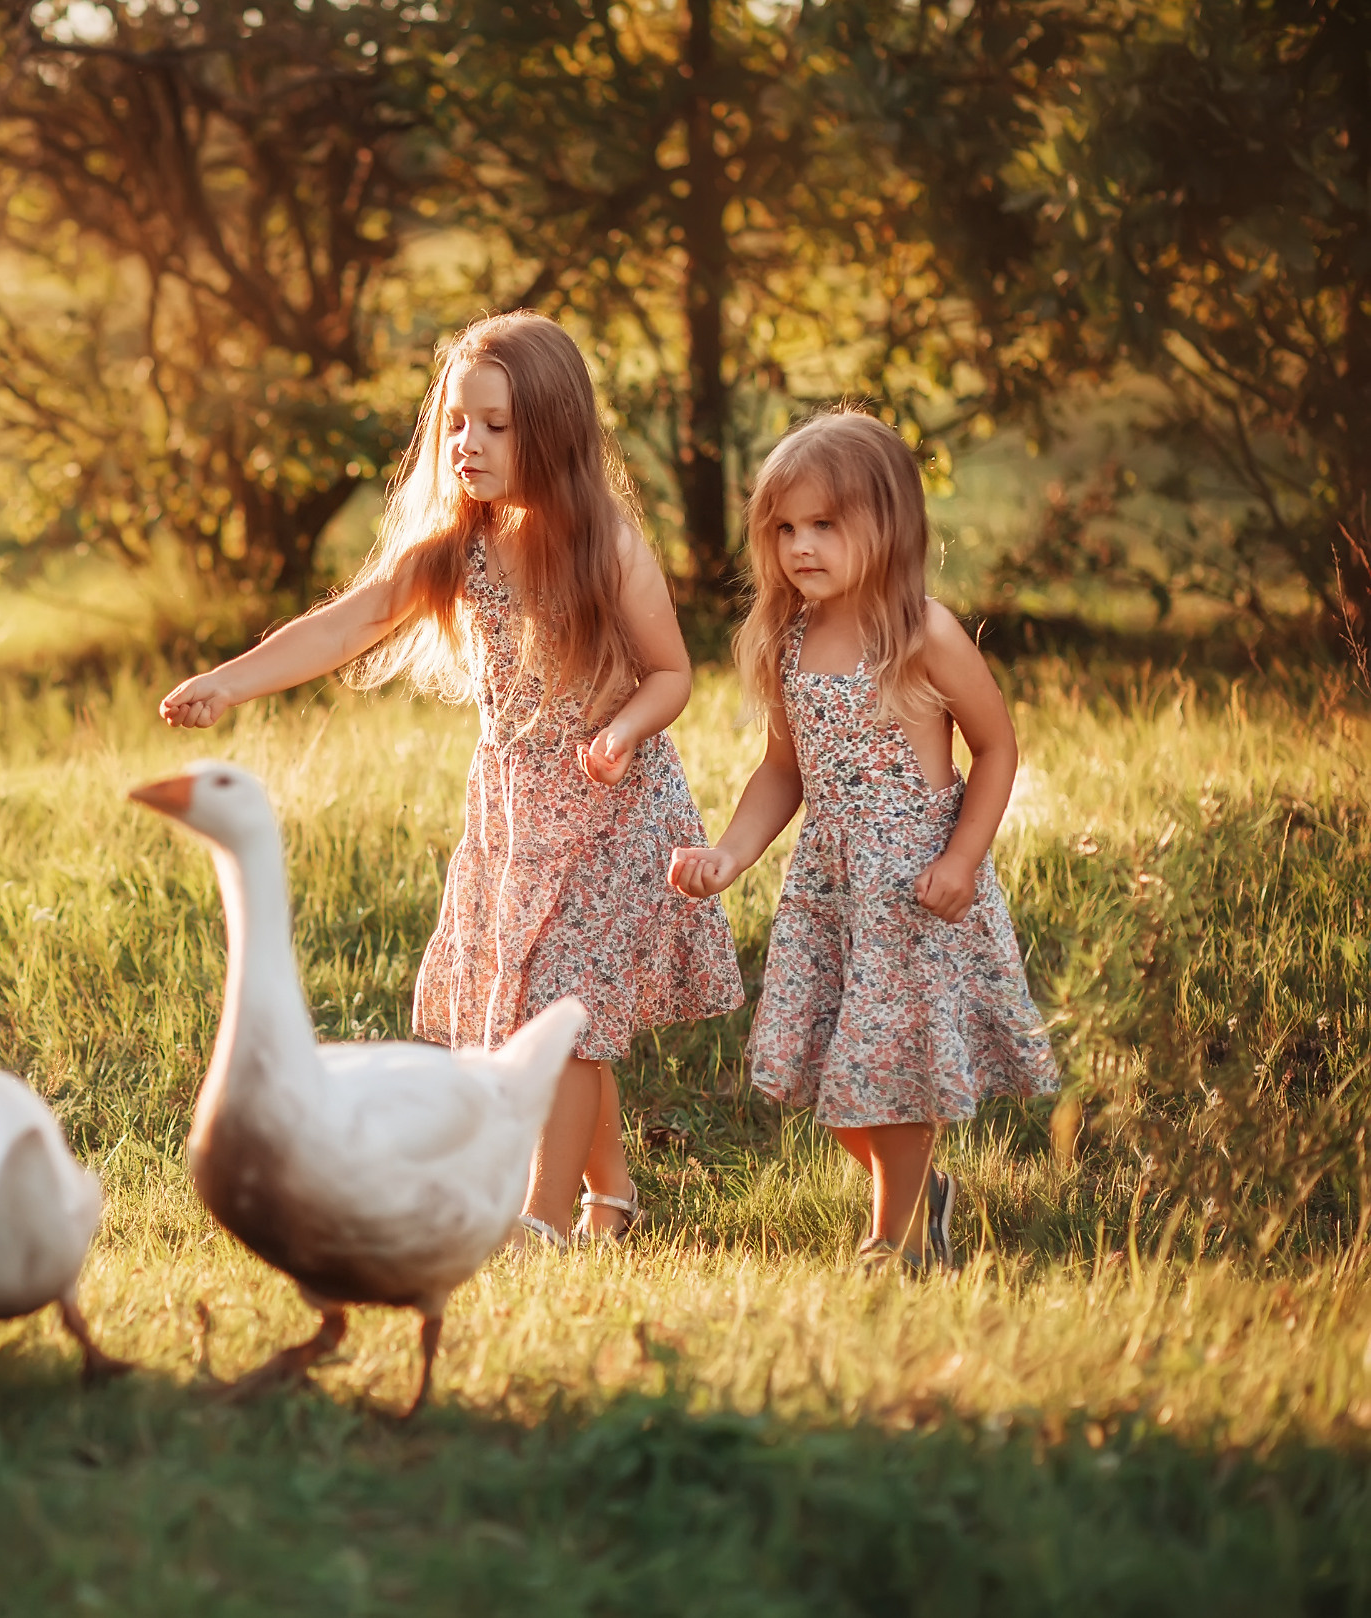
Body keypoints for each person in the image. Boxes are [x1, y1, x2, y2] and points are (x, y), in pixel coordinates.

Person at [160, 311, 743, 1246]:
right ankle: (614, 1199)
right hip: (514, 820)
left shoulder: (608, 548)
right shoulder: (457, 548)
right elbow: (343, 626)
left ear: (551, 431)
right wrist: (227, 683)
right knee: (546, 1016)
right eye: (458, 423)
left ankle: (543, 1222)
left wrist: (625, 730)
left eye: (497, 425)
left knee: (565, 1013)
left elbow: (672, 672)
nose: (469, 443)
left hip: (609, 812)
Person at [668, 410, 1055, 1270]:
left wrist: (961, 859)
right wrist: (732, 852)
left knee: (894, 1071)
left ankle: (900, 1239)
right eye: (786, 529)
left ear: (888, 525)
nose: (802, 546)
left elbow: (996, 748)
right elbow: (782, 771)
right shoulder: (789, 640)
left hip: (913, 885)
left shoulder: (921, 633)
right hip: (832, 887)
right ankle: (921, 1199)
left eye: (826, 525)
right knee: (838, 1089)